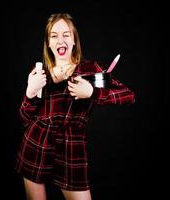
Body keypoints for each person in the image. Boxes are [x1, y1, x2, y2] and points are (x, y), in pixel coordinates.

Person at [15, 13, 135, 200]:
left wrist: (92, 93)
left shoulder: (90, 70)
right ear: (48, 43)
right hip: (36, 144)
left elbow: (128, 95)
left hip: (72, 147)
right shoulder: (39, 72)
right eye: (54, 35)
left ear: (73, 41)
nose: (60, 40)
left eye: (66, 34)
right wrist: (30, 93)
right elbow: (24, 119)